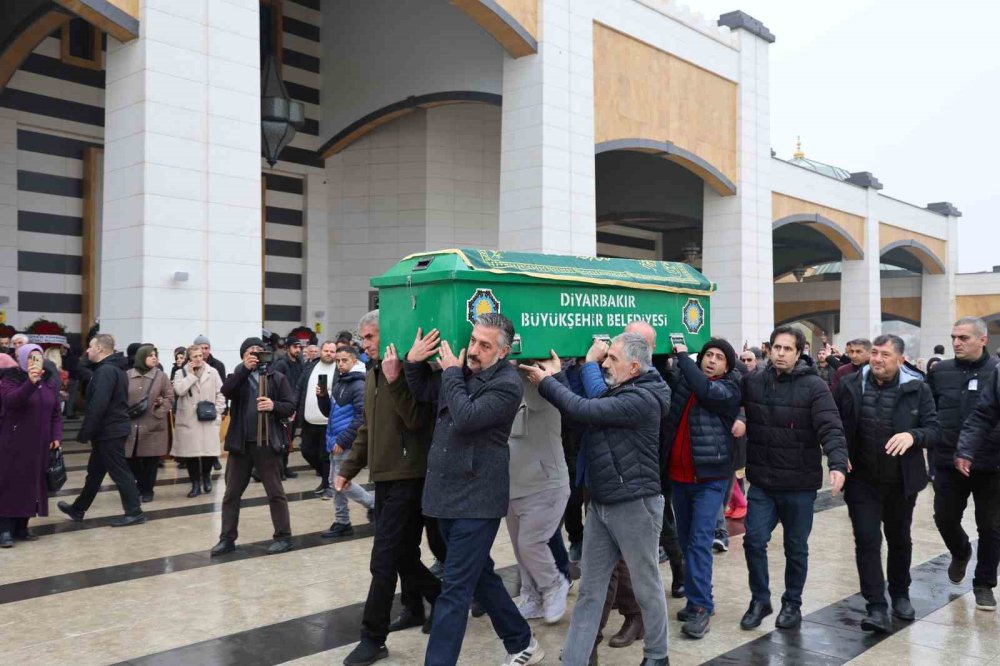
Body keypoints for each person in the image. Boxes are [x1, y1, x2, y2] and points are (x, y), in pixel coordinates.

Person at [523, 332, 670, 666]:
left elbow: (584, 408)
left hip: (635, 504)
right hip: (603, 501)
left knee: (646, 587)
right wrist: (559, 376)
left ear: (634, 366)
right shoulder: (623, 390)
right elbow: (585, 408)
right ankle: (574, 659)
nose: (606, 362)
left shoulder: (643, 398)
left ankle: (658, 657)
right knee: (590, 588)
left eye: (612, 358)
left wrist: (548, 382)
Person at [405, 316, 543, 666]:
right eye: (475, 341)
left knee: (454, 590)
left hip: (477, 499)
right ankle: (522, 640)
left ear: (503, 351)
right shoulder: (462, 374)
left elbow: (467, 417)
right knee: (478, 574)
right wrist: (412, 362)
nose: (476, 350)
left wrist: (451, 371)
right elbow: (424, 392)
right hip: (446, 495)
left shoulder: (507, 384)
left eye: (485, 345)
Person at [333, 310, 440, 666]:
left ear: (388, 334)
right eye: (362, 338)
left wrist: (397, 379)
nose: (363, 345)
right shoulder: (373, 373)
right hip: (385, 475)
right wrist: (349, 468)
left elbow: (416, 420)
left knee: (383, 558)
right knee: (403, 553)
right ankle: (422, 603)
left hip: (410, 474)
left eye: (369, 338)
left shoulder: (408, 370)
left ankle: (372, 637)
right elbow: (368, 427)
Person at [740, 326, 848, 631]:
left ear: (799, 353)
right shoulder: (754, 382)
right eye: (776, 347)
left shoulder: (814, 387)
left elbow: (830, 427)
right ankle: (760, 599)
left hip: (799, 485)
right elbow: (728, 401)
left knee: (796, 547)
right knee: (753, 541)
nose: (780, 353)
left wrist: (837, 463)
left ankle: (792, 603)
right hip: (762, 481)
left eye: (788, 349)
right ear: (769, 349)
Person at [836, 334, 940, 631]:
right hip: (861, 481)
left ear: (900, 360)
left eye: (885, 355)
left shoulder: (917, 389)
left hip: (900, 482)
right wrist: (838, 454)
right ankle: (876, 606)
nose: (877, 359)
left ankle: (900, 593)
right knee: (867, 540)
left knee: (899, 539)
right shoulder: (850, 385)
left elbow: (934, 429)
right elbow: (835, 424)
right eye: (875, 353)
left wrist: (913, 436)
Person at [662, 339, 741, 639]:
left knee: (698, 542)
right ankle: (699, 596)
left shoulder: (728, 390)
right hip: (679, 479)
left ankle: (700, 607)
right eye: (708, 355)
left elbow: (705, 390)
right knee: (685, 541)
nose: (711, 361)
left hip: (710, 480)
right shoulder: (687, 381)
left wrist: (684, 357)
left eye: (719, 357)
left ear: (727, 366)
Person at [929, 317, 1000, 612]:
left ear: (982, 340)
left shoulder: (995, 372)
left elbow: (987, 415)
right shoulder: (940, 372)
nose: (957, 343)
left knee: (991, 526)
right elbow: (926, 411)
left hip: (992, 464)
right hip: (948, 460)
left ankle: (984, 584)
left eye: (964, 338)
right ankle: (960, 551)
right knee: (944, 517)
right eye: (954, 337)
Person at [212, 337, 295, 556]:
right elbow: (226, 391)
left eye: (259, 351)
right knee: (231, 494)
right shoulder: (238, 377)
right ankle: (226, 538)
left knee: (275, 492)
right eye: (250, 352)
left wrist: (273, 405)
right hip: (241, 444)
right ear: (243, 356)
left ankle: (283, 536)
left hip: (267, 443)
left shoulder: (277, 378)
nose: (255, 355)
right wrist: (245, 371)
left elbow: (289, 406)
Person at [57, 334, 146, 527]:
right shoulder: (112, 368)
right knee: (95, 472)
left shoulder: (106, 371)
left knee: (119, 472)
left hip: (110, 430)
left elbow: (99, 403)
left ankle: (134, 512)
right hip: (109, 429)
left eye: (90, 347)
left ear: (99, 348)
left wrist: (86, 430)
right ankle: (78, 508)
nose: (87, 351)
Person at [506, 367, 571, 625]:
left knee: (530, 543)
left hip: (545, 485)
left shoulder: (543, 387)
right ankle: (532, 597)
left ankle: (554, 584)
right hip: (514, 485)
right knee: (520, 550)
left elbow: (534, 397)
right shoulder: (507, 389)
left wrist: (519, 368)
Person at [0, 344, 62, 546]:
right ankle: (5, 530)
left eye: (38, 357)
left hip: (40, 445)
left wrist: (56, 435)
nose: (35, 361)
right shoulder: (10, 379)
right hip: (14, 443)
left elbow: (55, 413)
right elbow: (11, 401)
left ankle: (22, 527)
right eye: (31, 357)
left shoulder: (50, 382)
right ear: (22, 359)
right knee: (10, 485)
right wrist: (30, 382)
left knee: (32, 485)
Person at [320, 344, 375, 537]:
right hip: (335, 440)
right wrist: (322, 398)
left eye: (344, 360)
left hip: (346, 442)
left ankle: (373, 503)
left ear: (355, 361)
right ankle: (342, 520)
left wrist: (343, 440)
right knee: (334, 482)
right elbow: (331, 413)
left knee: (340, 482)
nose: (340, 364)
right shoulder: (340, 382)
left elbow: (361, 416)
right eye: (338, 361)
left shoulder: (359, 384)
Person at [173, 344, 227, 498]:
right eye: (195, 356)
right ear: (189, 358)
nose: (198, 359)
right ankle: (195, 483)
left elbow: (220, 392)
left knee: (208, 452)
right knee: (191, 454)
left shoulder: (213, 371)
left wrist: (218, 411)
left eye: (200, 356)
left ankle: (206, 477)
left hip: (208, 418)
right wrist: (191, 375)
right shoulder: (180, 373)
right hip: (189, 419)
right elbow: (179, 390)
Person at [125, 345, 174, 503]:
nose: (154, 358)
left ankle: (147, 490)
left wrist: (159, 411)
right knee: (131, 458)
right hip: (132, 424)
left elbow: (170, 397)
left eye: (155, 355)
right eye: (150, 355)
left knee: (151, 461)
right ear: (141, 357)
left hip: (153, 424)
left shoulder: (161, 376)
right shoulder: (128, 375)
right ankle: (140, 485)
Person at [297, 340, 338, 498]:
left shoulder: (338, 370)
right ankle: (326, 477)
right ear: (321, 351)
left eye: (332, 351)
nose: (328, 353)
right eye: (326, 350)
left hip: (329, 422)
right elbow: (299, 388)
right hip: (309, 420)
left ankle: (328, 486)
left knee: (326, 455)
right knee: (306, 451)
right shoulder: (310, 367)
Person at [273, 337, 306, 478]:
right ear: (287, 348)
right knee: (281, 440)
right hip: (283, 407)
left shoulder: (300, 364)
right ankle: (277, 470)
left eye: (299, 347)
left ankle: (284, 467)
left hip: (294, 407)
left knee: (289, 440)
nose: (298, 350)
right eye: (295, 347)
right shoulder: (281, 364)